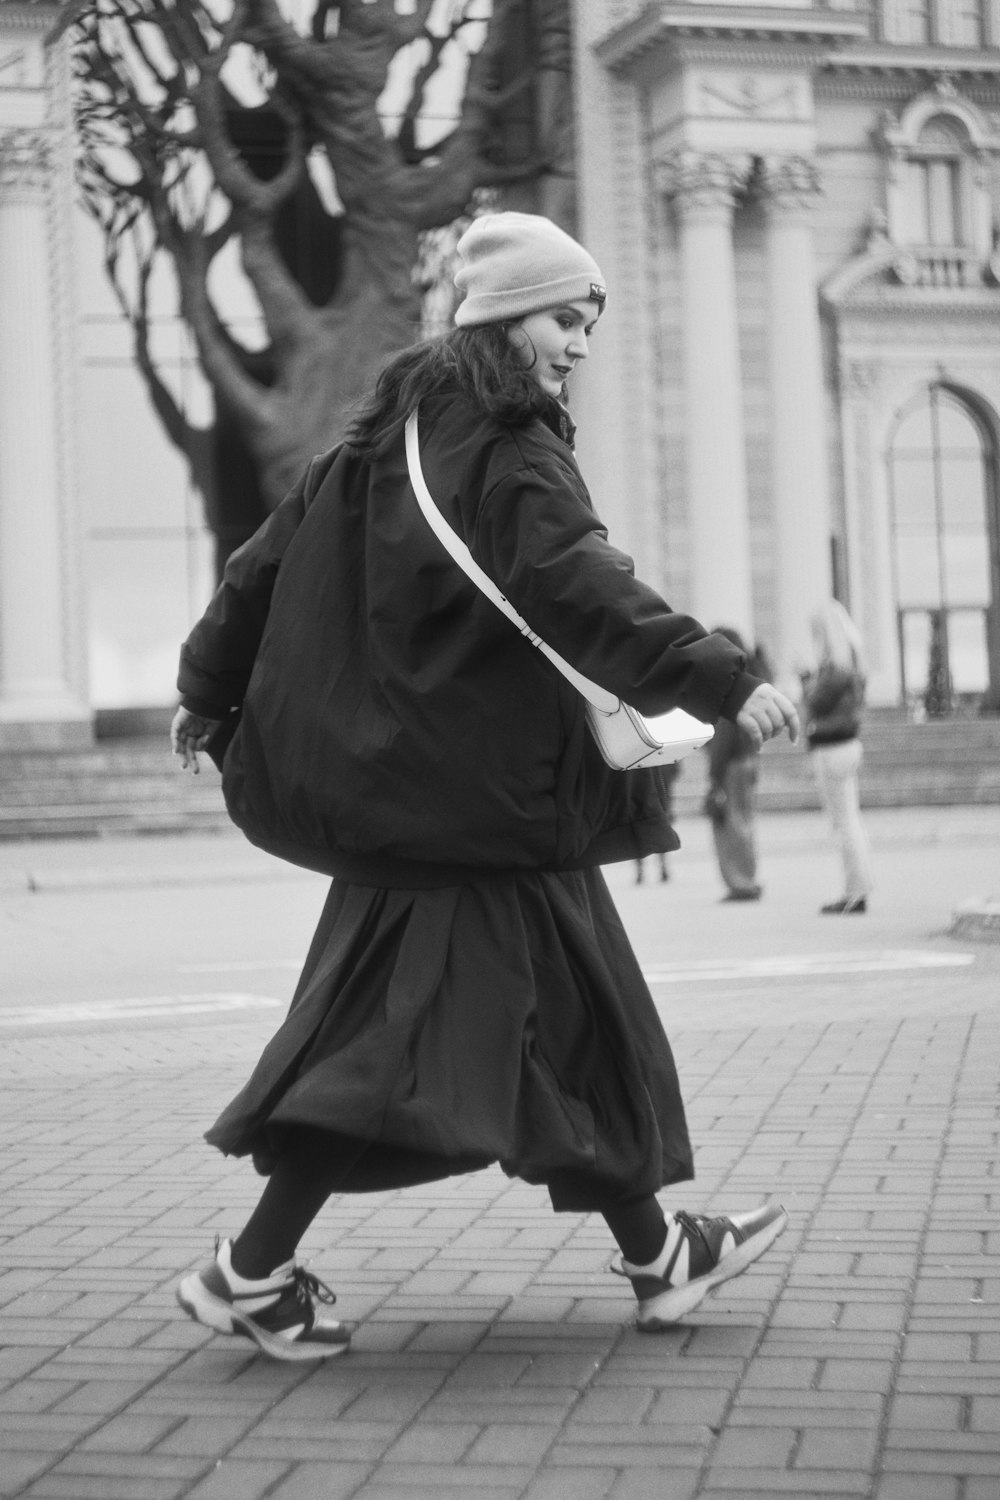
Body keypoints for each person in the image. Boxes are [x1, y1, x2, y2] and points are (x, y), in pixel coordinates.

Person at [170, 211, 800, 1360]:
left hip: (428, 804)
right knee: (383, 1060)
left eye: (591, 322)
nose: (580, 344)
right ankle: (248, 1273)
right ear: (506, 318)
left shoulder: (378, 439)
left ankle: (661, 1256)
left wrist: (205, 689)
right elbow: (578, 583)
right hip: (479, 810)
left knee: (568, 1027)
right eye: (567, 318)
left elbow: (256, 571)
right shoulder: (509, 448)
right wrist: (718, 678)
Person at [801, 600, 873, 914]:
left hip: (833, 748)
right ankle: (858, 889)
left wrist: (804, 678)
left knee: (843, 825)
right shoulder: (854, 663)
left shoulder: (835, 669)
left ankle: (855, 892)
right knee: (850, 822)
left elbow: (814, 703)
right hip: (848, 745)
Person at [703, 627, 768, 902]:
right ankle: (748, 878)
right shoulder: (748, 681)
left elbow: (723, 736)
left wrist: (714, 774)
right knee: (745, 822)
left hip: (731, 764)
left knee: (732, 825)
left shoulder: (726, 685)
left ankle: (741, 882)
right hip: (747, 760)